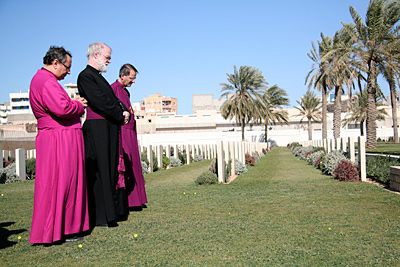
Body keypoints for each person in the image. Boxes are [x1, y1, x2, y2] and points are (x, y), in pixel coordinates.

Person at [29, 46, 89, 244]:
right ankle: (66, 229)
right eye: (67, 66)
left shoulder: (44, 80)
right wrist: (79, 105)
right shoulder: (47, 82)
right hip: (59, 139)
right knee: (65, 182)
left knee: (55, 183)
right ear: (55, 63)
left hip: (55, 137)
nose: (69, 71)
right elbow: (62, 108)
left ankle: (57, 228)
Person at [77, 42, 130, 227]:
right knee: (100, 171)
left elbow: (112, 99)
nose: (109, 60)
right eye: (107, 56)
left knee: (109, 169)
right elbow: (100, 102)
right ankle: (101, 216)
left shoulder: (98, 78)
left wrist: (123, 111)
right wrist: (118, 114)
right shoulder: (85, 76)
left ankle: (109, 214)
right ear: (96, 55)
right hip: (97, 128)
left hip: (108, 126)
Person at [111, 64, 148, 209]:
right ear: (123, 75)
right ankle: (128, 201)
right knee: (126, 166)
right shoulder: (113, 89)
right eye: (131, 78)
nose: (133, 81)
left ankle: (137, 199)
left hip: (131, 132)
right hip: (122, 133)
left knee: (134, 166)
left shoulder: (126, 92)